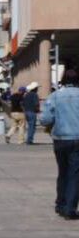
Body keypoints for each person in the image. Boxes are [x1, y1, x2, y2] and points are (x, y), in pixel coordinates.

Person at [39, 69, 79, 219]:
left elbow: (45, 119)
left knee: (63, 172)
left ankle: (60, 204)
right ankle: (70, 208)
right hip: (77, 139)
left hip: (60, 139)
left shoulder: (55, 96)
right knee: (75, 174)